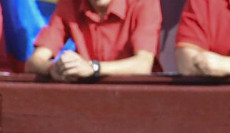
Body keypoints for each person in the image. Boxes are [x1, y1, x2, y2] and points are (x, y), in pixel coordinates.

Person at [26, 0, 160, 81]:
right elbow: (33, 62)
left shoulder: (144, 2)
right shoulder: (69, 4)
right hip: (89, 99)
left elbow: (143, 65)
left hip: (137, 97)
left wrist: (93, 68)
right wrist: (53, 68)